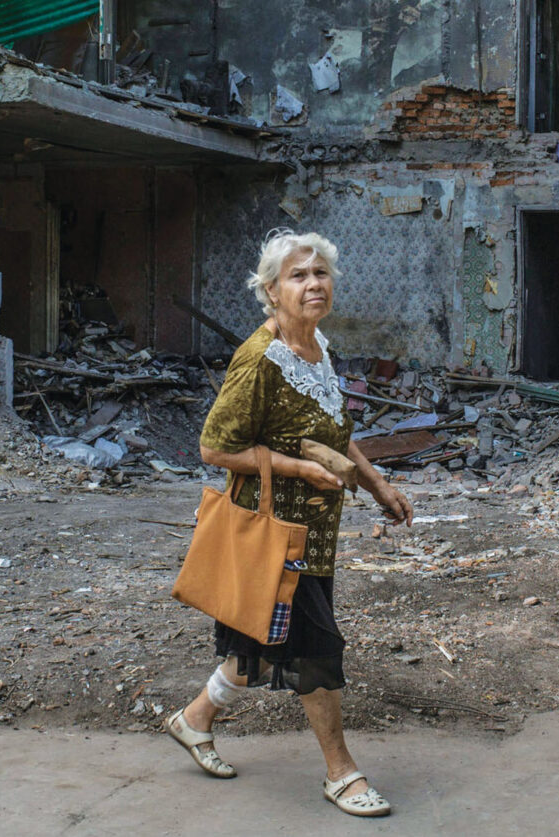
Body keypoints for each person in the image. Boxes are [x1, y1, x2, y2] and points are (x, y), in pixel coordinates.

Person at [164, 230, 413, 818]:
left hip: (314, 534)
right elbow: (214, 448)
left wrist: (378, 484)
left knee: (259, 638)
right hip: (276, 533)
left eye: (321, 273)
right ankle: (341, 773)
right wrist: (299, 467)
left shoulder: (317, 347)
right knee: (317, 649)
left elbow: (336, 434)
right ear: (271, 290)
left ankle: (194, 720)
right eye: (299, 276)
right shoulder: (259, 360)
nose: (313, 284)